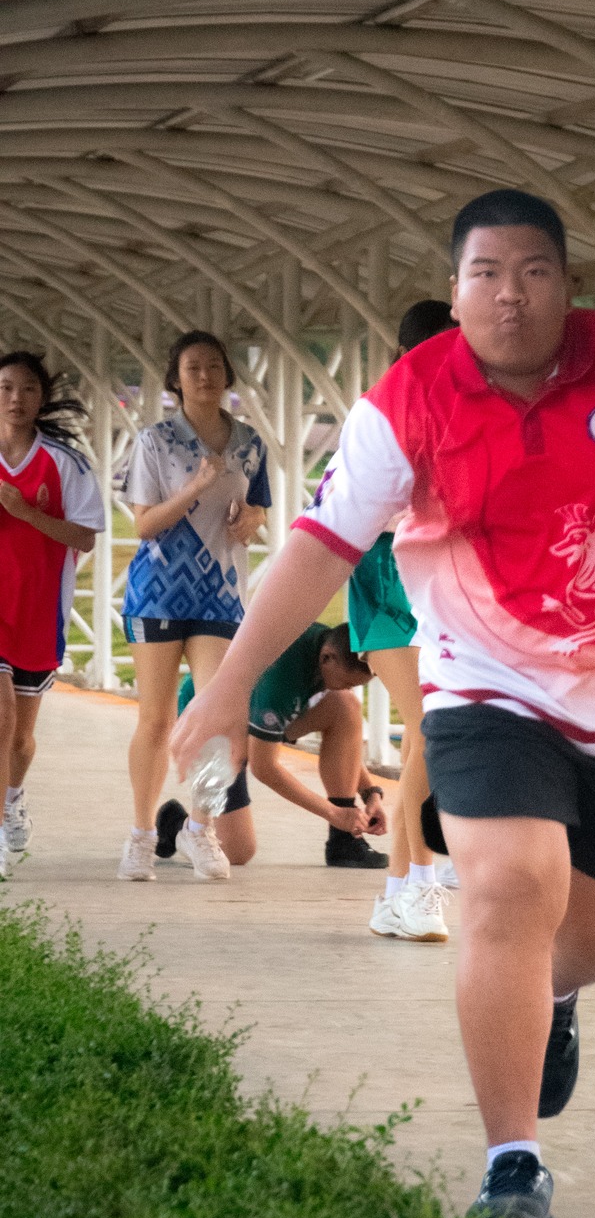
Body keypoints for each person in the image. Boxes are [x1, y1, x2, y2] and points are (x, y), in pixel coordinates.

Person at [172, 187, 595, 1218]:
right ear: (455, 293)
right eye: (485, 274)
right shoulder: (409, 401)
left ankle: (554, 998)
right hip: (483, 682)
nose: (510, 294)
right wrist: (225, 691)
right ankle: (512, 1163)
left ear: (566, 285)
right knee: (508, 883)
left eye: (533, 272)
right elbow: (318, 546)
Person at [118, 330, 269, 885]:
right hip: (157, 591)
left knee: (219, 718)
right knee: (156, 719)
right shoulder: (155, 441)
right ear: (175, 380)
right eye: (192, 368)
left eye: (213, 366)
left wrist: (251, 519)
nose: (204, 376)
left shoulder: (250, 443)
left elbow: (258, 511)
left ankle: (199, 828)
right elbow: (144, 524)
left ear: (227, 374)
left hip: (220, 594)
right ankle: (141, 834)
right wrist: (196, 486)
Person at [357, 298, 457, 944]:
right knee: (427, 725)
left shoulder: (469, 410)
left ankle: (397, 891)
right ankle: (417, 882)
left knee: (430, 734)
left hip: (437, 586)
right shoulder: (381, 412)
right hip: (384, 584)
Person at [160, 622, 388, 870]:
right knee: (237, 851)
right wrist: (333, 813)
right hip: (212, 729)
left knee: (345, 705)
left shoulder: (327, 645)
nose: (348, 687)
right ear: (327, 658)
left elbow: (345, 747)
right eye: (346, 682)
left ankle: (344, 840)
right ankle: (175, 824)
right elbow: (264, 768)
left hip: (254, 714)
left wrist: (370, 793)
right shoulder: (281, 680)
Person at [0, 352, 105, 874]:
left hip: (38, 614)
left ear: (42, 398)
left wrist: (24, 512)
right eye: (5, 387)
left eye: (27, 389)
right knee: (1, 721)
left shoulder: (66, 464)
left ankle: (13, 797)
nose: (15, 398)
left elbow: (84, 538)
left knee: (20, 738)